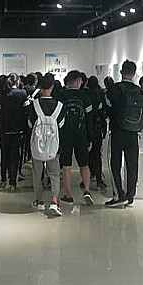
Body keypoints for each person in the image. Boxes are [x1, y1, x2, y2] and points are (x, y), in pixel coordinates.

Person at [104, 60, 143, 207]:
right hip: (133, 132)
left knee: (115, 163)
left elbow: (107, 108)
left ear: (121, 72)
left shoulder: (114, 89)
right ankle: (130, 195)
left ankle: (119, 195)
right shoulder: (138, 90)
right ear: (134, 73)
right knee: (132, 164)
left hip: (117, 130)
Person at [57, 71, 96, 211]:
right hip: (81, 135)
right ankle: (87, 190)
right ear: (78, 81)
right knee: (84, 164)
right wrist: (90, 138)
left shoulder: (61, 96)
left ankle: (68, 195)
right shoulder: (84, 96)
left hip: (65, 135)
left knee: (66, 166)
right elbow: (89, 119)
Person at [27, 75, 64, 217]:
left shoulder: (34, 104)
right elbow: (61, 125)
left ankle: (39, 201)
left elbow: (30, 124)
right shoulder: (59, 106)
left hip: (37, 145)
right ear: (52, 87)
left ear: (40, 87)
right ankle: (54, 201)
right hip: (53, 146)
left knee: (37, 174)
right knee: (54, 174)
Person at [85, 76, 108, 191]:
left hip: (87, 128)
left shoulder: (86, 95)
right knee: (97, 154)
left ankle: (87, 178)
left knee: (88, 155)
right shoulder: (100, 94)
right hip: (98, 128)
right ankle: (99, 179)